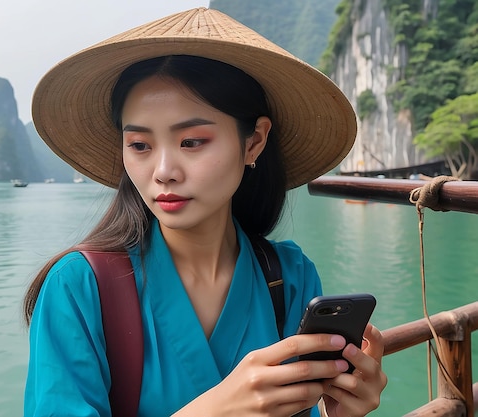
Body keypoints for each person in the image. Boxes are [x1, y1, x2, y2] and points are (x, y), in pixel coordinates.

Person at [23, 7, 387, 417]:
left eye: (192, 142)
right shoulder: (79, 287)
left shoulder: (289, 276)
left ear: (254, 142)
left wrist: (338, 412)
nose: (163, 173)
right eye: (140, 146)